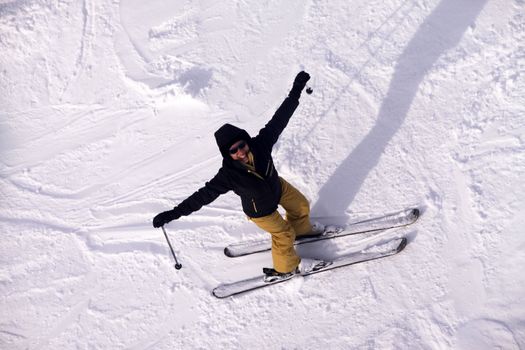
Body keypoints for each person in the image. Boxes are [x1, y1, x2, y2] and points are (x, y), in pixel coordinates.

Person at [152, 71, 325, 279]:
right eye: (233, 151)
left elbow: (279, 119)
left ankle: (302, 229)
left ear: (246, 141)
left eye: (241, 145)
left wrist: (296, 90)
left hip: (277, 187)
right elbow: (201, 197)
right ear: (228, 154)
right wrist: (171, 214)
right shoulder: (228, 175)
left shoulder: (261, 144)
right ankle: (287, 267)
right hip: (260, 211)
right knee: (283, 233)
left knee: (300, 205)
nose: (240, 152)